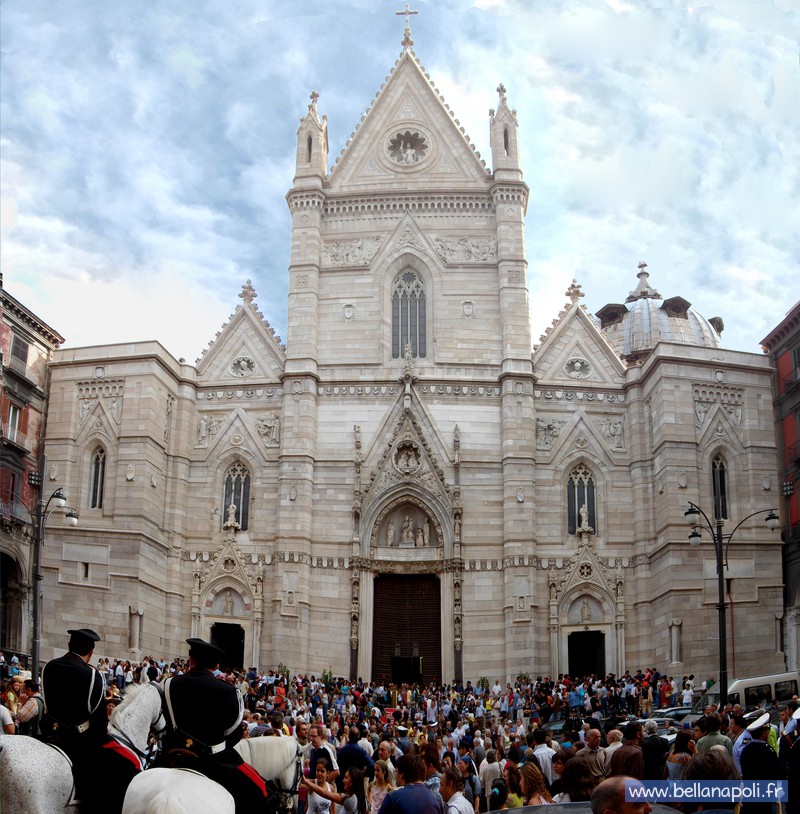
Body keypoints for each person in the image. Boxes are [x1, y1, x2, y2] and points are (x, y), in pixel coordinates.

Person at [158, 637, 266, 813]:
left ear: (191, 660)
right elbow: (234, 732)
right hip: (214, 761)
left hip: (171, 753)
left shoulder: (168, 683)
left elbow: (161, 720)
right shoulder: (229, 691)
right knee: (259, 790)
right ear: (216, 666)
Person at [378, 753, 445, 813]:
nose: (395, 776)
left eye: (396, 772)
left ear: (401, 774)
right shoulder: (434, 800)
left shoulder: (393, 797)